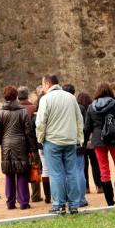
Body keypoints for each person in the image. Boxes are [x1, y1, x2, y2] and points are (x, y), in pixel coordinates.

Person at [35, 74, 83, 215]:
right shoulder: (71, 97)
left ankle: (59, 204)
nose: (43, 88)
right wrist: (79, 138)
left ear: (48, 84)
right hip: (70, 140)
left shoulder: (45, 99)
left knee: (56, 174)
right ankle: (74, 204)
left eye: (43, 84)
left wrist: (41, 138)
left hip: (53, 141)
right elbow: (79, 119)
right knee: (72, 172)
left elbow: (40, 122)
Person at [85, 83, 115, 206]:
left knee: (104, 171)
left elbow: (87, 128)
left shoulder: (91, 107)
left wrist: (85, 143)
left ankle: (110, 202)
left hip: (99, 140)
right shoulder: (114, 104)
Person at [0, 86, 36, 210]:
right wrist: (32, 148)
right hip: (21, 144)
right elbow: (29, 131)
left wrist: (2, 141)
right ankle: (23, 202)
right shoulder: (22, 111)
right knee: (22, 172)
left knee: (9, 173)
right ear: (16, 96)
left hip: (7, 145)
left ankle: (10, 202)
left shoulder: (1, 112)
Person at [63, 84, 89, 207]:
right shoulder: (81, 108)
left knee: (67, 172)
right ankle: (81, 199)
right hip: (79, 142)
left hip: (66, 142)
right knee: (79, 171)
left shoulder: (62, 107)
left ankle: (70, 198)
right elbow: (85, 126)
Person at [19, 86, 44, 203]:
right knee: (35, 168)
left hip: (18, 145)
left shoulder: (14, 109)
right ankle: (36, 195)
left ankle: (21, 196)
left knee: (20, 171)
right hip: (33, 143)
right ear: (28, 96)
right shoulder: (33, 108)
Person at [78, 91, 102, 193]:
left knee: (84, 165)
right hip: (93, 140)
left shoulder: (78, 109)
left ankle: (86, 187)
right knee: (95, 164)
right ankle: (99, 185)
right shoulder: (93, 109)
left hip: (83, 140)